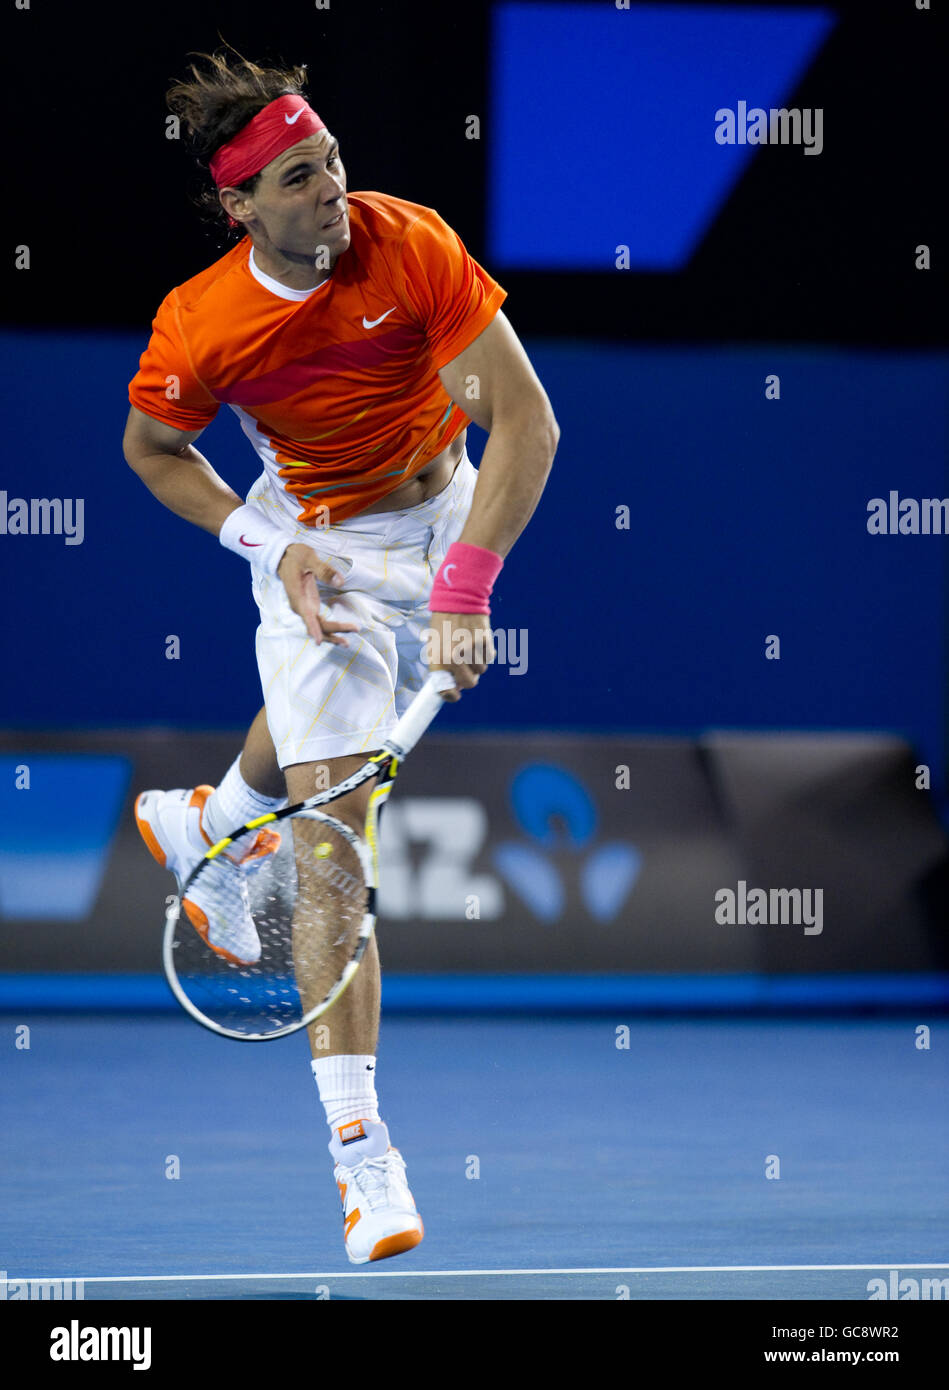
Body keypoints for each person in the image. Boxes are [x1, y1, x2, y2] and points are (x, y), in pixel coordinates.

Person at [123, 46, 559, 1264]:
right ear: (240, 204)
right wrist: (268, 547)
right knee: (330, 837)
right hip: (320, 543)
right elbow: (153, 451)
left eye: (334, 163)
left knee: (322, 768)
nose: (332, 192)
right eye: (301, 178)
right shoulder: (202, 323)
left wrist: (465, 584)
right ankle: (364, 1158)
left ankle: (206, 824)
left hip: (443, 517)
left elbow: (523, 418)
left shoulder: (405, 242)